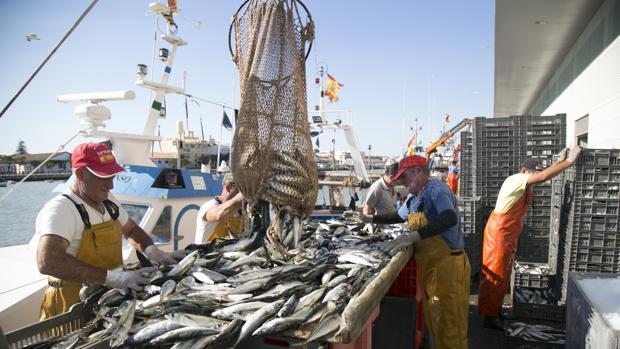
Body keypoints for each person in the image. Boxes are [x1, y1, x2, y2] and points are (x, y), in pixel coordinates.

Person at [34, 142, 176, 319]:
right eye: (103, 177)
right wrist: (112, 277)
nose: (110, 185)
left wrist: (151, 250)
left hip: (107, 296)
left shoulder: (108, 201)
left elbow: (131, 230)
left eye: (112, 176)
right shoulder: (61, 209)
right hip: (73, 305)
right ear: (80, 174)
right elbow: (47, 261)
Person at [352, 155, 470, 348]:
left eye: (405, 177)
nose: (402, 182)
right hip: (432, 270)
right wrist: (370, 219)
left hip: (448, 268)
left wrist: (415, 236)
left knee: (450, 325)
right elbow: (397, 216)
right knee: (436, 321)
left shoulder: (436, 190)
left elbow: (449, 217)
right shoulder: (414, 197)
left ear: (418, 172)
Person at [478, 145, 582, 330]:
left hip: (509, 233)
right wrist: (568, 162)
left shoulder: (525, 183)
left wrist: (558, 161)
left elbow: (542, 175)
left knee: (504, 275)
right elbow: (542, 177)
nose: (535, 176)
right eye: (532, 172)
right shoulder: (517, 179)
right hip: (499, 233)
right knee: (495, 275)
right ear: (524, 170)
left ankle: (495, 311)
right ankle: (488, 316)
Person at [195, 173, 244, 243]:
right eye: (241, 189)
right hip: (205, 252)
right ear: (229, 188)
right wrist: (240, 197)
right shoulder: (208, 206)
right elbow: (219, 215)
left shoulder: (239, 209)